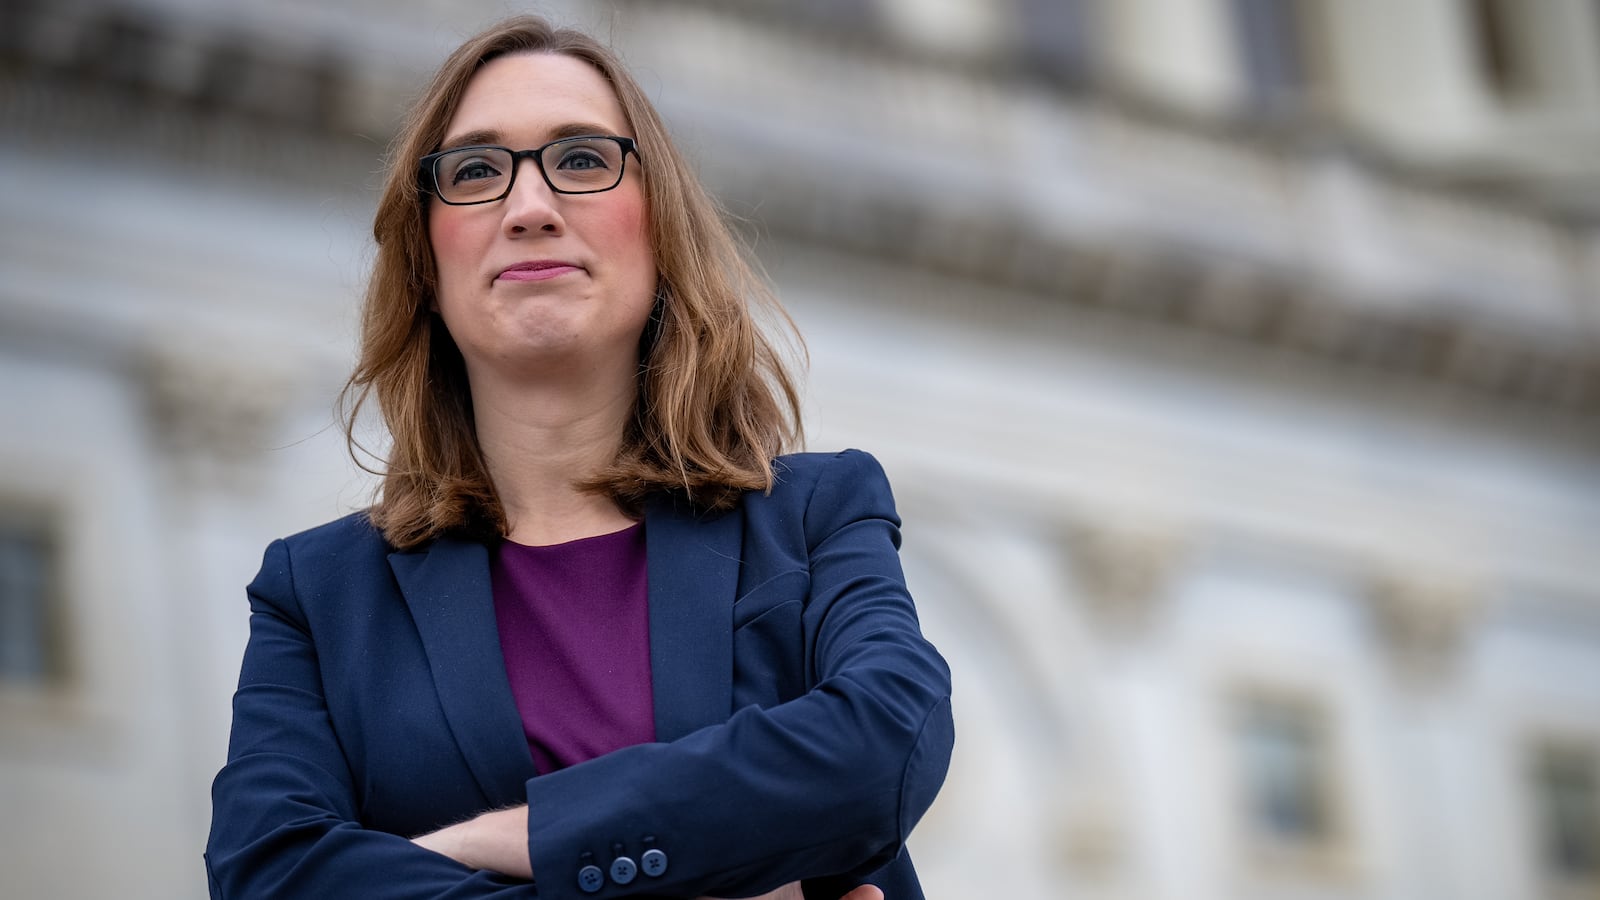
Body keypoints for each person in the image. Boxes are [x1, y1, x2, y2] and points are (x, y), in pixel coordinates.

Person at [204, 14, 953, 900]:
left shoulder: (815, 514)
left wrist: (527, 835)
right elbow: (270, 873)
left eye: (584, 160)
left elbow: (884, 742)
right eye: (475, 171)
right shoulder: (318, 595)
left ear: (661, 234)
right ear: (426, 266)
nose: (529, 208)